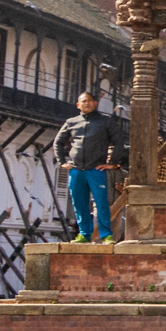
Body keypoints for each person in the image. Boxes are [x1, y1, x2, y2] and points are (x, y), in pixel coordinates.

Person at [52, 91, 121, 243]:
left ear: (95, 103)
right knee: (79, 203)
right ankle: (84, 234)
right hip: (76, 170)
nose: (87, 103)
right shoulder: (71, 122)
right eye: (83, 101)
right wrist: (61, 161)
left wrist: (112, 162)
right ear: (78, 105)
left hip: (96, 169)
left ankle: (106, 235)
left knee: (101, 202)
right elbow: (58, 142)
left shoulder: (106, 121)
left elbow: (118, 140)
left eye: (90, 101)